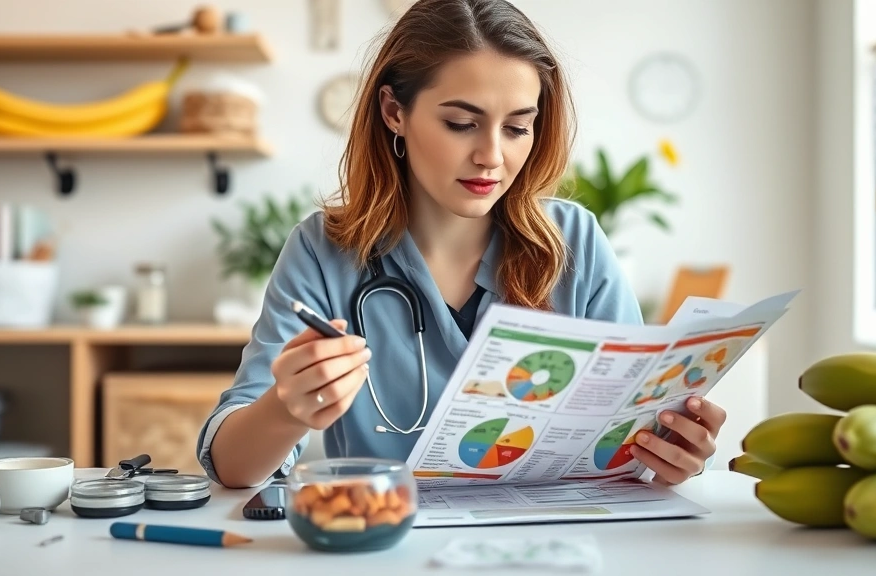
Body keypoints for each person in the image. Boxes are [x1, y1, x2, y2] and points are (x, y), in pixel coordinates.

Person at [196, 0, 726, 490]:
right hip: (390, 551)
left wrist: (671, 452)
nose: (491, 156)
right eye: (461, 124)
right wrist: (285, 411)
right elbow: (232, 468)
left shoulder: (577, 242)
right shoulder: (323, 250)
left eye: (518, 128)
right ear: (393, 112)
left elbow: (628, 437)